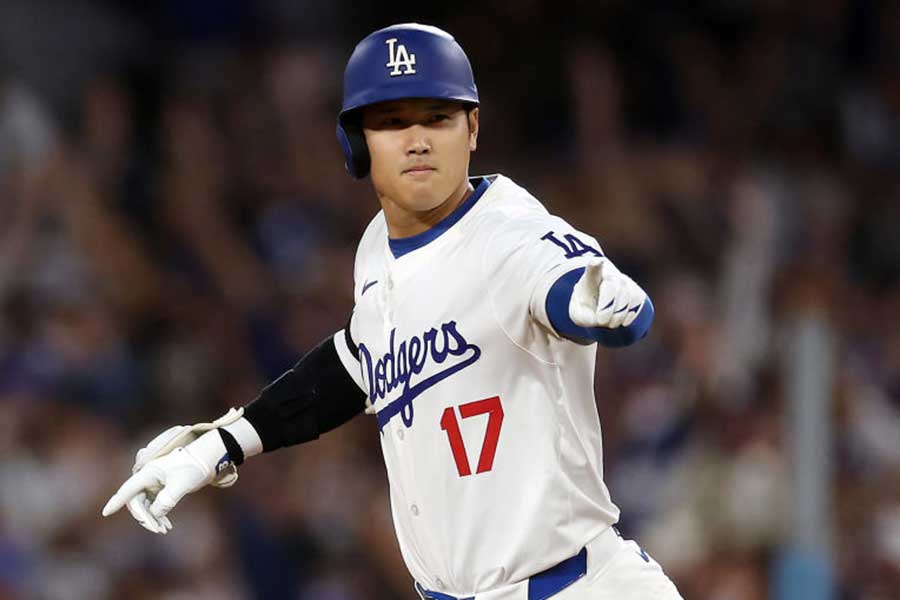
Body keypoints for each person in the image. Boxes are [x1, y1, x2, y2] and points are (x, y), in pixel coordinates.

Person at [103, 23, 684, 600]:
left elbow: (578, 292)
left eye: (438, 117)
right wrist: (218, 446)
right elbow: (354, 362)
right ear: (356, 142)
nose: (418, 139)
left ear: (472, 127)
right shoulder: (378, 248)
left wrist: (605, 307)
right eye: (392, 121)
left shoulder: (512, 237)